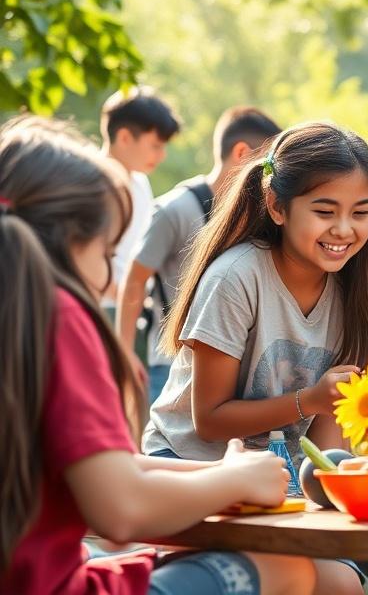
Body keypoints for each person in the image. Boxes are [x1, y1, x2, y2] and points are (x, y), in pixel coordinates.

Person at [0, 122, 314, 595]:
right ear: (70, 240)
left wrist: (226, 475)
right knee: (287, 569)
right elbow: (120, 510)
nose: (108, 279)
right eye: (108, 253)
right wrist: (230, 483)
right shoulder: (57, 315)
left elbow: (112, 470)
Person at [142, 122, 368, 595]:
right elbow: (210, 421)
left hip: (283, 486)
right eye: (325, 211)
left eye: (361, 212)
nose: (344, 229)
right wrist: (309, 400)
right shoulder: (236, 278)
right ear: (277, 206)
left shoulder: (360, 292)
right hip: (194, 468)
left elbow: (327, 440)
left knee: (343, 587)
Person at [116, 106, 281, 405]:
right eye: (268, 165)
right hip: (169, 366)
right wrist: (124, 356)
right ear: (241, 152)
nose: (271, 176)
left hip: (231, 369)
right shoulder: (175, 209)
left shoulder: (258, 216)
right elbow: (134, 280)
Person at [100, 87, 180, 311]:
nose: (162, 155)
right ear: (124, 137)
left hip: (132, 308)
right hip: (97, 307)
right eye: (155, 146)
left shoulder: (140, 183)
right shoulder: (89, 185)